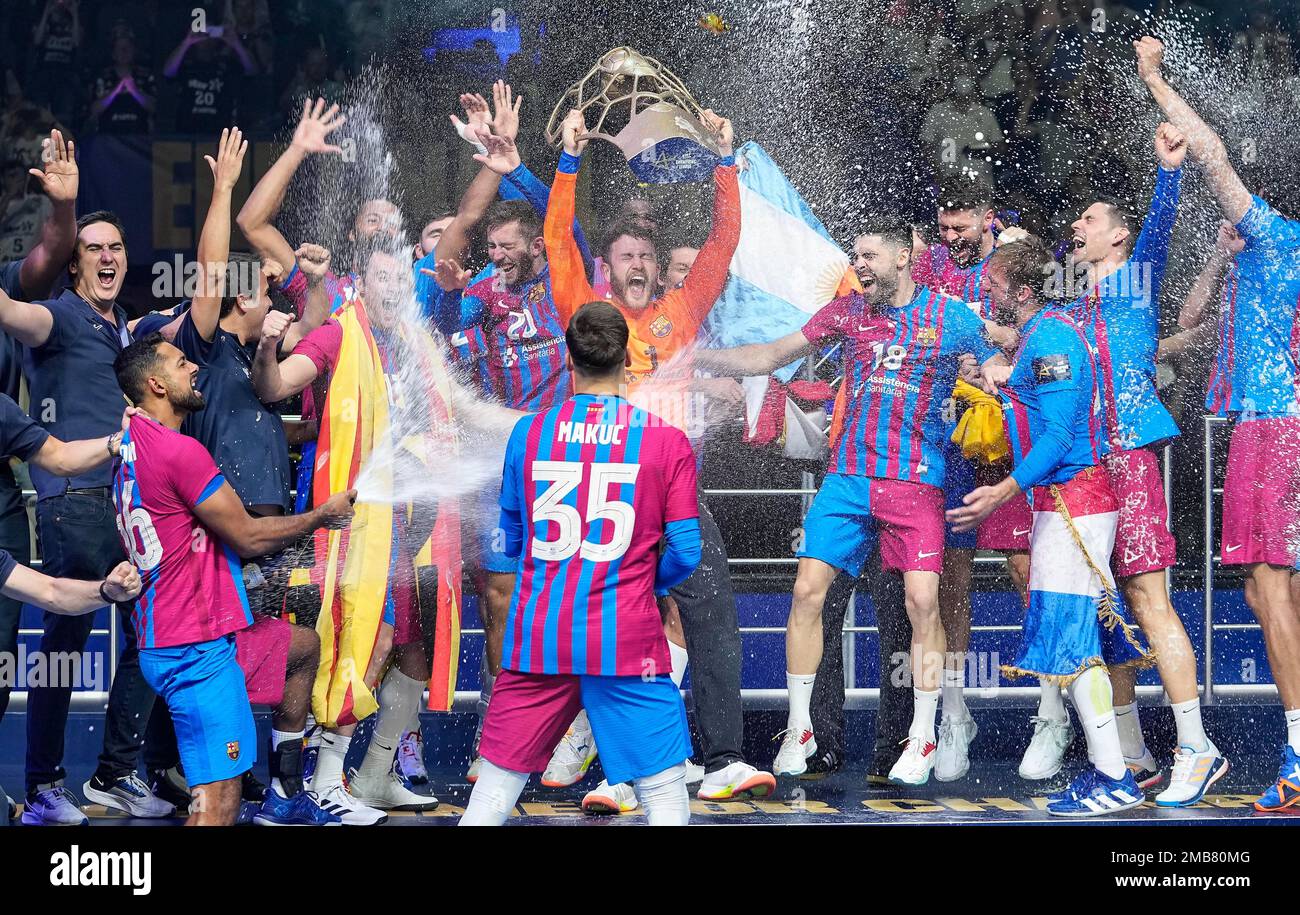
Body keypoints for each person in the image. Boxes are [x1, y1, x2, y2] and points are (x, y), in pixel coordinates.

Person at [696, 219, 1003, 785]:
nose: (857, 265)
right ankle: (800, 730)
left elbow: (997, 356)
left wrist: (1003, 372)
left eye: (866, 255)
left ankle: (924, 734)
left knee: (921, 605)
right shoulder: (845, 314)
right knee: (806, 592)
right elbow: (770, 354)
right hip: (848, 479)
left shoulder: (951, 316)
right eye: (853, 256)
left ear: (901, 258)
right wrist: (695, 357)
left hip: (915, 483)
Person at [545, 105, 776, 802]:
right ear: (607, 267)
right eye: (627, 257)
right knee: (623, 640)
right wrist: (568, 160)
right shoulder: (587, 315)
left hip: (680, 502)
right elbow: (557, 238)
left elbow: (722, 243)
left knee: (712, 623)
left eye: (647, 256)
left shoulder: (681, 311)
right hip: (610, 503)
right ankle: (622, 774)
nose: (640, 265)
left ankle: (726, 758)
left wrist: (726, 162)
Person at [253, 243, 520, 822]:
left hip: (415, 524)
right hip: (349, 522)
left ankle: (373, 773)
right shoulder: (338, 334)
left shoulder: (418, 346)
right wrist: (270, 345)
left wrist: (544, 424)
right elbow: (276, 388)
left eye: (403, 279)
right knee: (356, 640)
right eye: (383, 278)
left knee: (413, 647)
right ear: (362, 285)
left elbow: (463, 409)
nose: (394, 288)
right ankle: (324, 781)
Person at [1136, 35, 1300, 814]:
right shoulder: (1263, 260)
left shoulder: (1278, 236)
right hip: (1274, 426)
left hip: (1274, 430)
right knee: (1278, 594)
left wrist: (1155, 79)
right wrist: (1217, 255)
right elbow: (1194, 323)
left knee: (1270, 592)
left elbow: (1208, 152)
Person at [459, 302, 700, 826]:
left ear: (568, 360)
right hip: (626, 637)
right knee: (661, 790)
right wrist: (642, 581)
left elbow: (509, 540)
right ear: (629, 358)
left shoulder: (527, 433)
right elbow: (687, 551)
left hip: (540, 634)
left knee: (495, 790)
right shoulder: (667, 441)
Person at [111, 333, 355, 825]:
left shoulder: (128, 444)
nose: (194, 370)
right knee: (217, 802)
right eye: (182, 365)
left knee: (301, 647)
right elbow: (246, 536)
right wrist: (319, 517)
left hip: (190, 638)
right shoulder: (179, 452)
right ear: (156, 385)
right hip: (193, 649)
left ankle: (285, 790)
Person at [947, 239, 1153, 816]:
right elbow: (1038, 399)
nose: (985, 289)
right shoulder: (1045, 334)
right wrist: (1001, 382)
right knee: (1076, 642)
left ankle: (1113, 776)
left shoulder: (1053, 338)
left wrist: (1002, 492)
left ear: (1023, 291)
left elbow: (1061, 436)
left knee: (1070, 641)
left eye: (994, 283)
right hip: (1063, 503)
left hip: (1073, 503)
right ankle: (1113, 770)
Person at [1067, 119, 1228, 805]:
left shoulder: (1136, 276)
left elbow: (1160, 222)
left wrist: (1168, 172)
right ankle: (1131, 757)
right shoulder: (1074, 306)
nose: (1075, 224)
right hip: (1088, 467)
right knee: (1108, 612)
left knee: (1148, 600)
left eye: (1089, 217)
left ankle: (1197, 745)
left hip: (1130, 459)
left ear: (1118, 237)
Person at [0, 209, 178, 825]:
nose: (108, 257)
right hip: (74, 501)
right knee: (66, 642)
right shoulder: (57, 317)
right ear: (74, 261)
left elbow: (205, 317)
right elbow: (15, 313)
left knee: (153, 632)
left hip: (132, 502)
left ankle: (113, 772)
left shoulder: (129, 327)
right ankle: (45, 785)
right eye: (94, 248)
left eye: (118, 247)